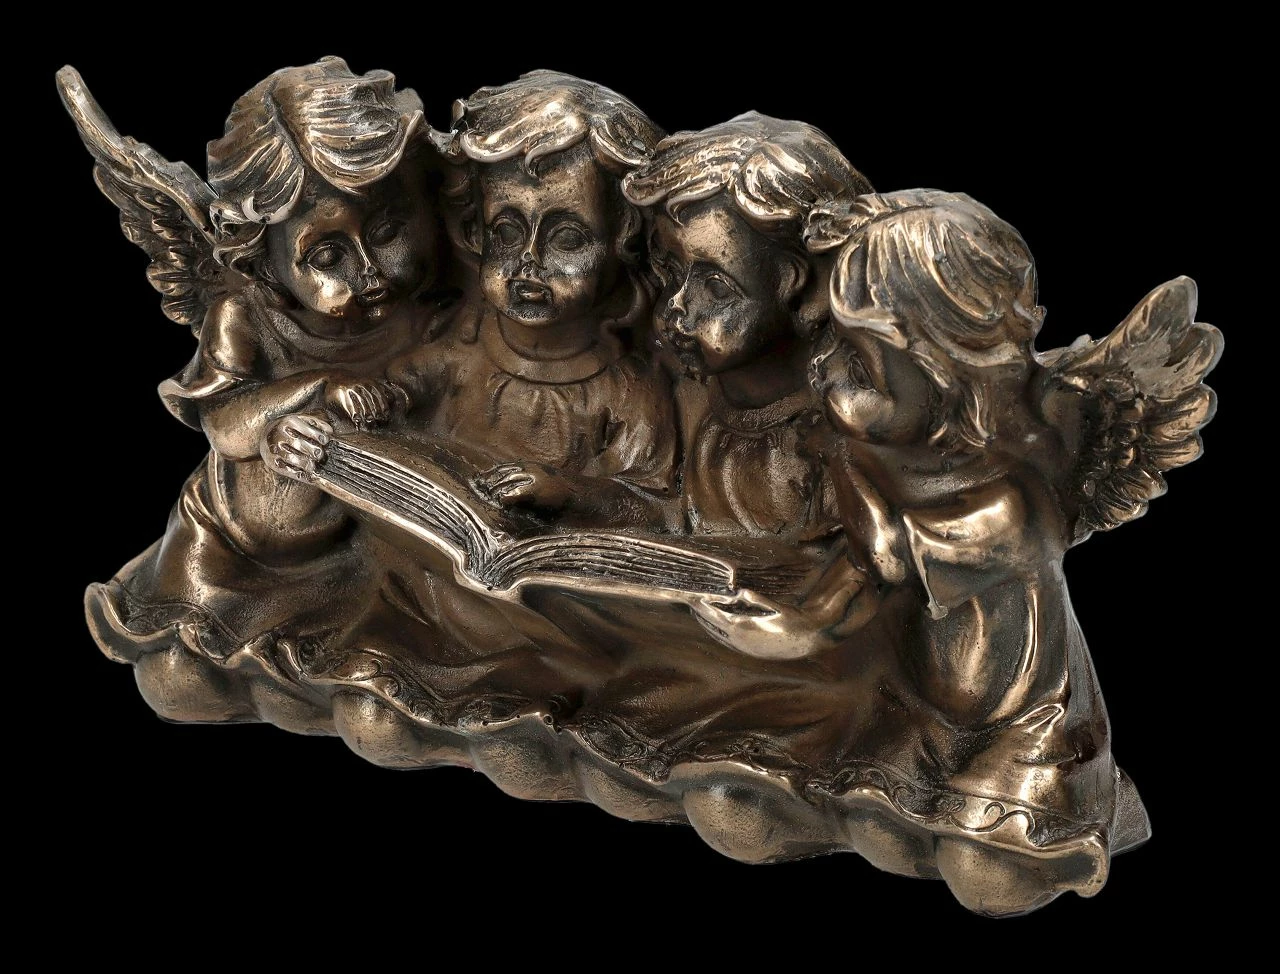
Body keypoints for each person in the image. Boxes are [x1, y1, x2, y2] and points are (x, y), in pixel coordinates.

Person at [86, 57, 453, 726]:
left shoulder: (434, 307)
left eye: (387, 232)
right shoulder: (245, 314)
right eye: (326, 257)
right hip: (235, 553)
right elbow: (226, 427)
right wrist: (318, 386)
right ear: (262, 260)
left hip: (364, 551)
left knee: (387, 675)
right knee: (180, 680)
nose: (371, 273)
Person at [386, 71, 676, 527]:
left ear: (625, 241)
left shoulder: (629, 391)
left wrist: (568, 492)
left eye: (567, 238)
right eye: (507, 232)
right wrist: (375, 398)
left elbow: (653, 509)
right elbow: (403, 386)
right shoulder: (466, 340)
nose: (529, 260)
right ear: (476, 232)